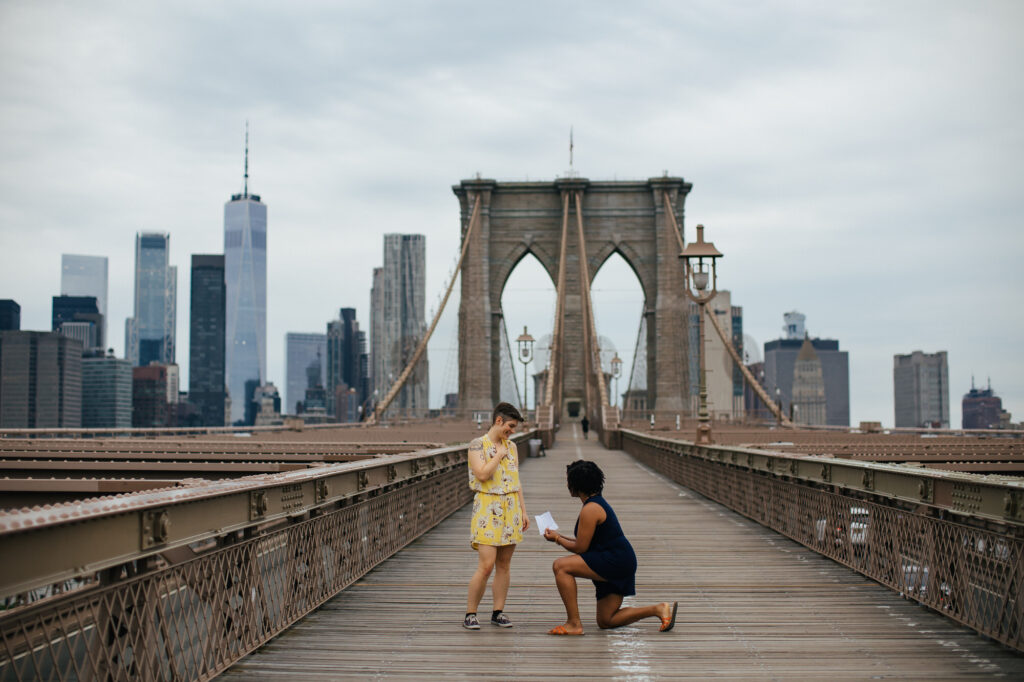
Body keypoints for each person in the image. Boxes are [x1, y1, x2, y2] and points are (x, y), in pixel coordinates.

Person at [544, 460, 677, 635]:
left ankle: (574, 623)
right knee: (606, 620)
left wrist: (557, 539)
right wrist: (558, 536)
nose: (567, 484)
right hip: (618, 558)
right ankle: (659, 609)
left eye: (569, 480)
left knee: (561, 567)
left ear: (576, 485)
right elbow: (584, 543)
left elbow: (581, 548)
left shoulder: (591, 509)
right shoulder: (594, 503)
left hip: (615, 560)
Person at [464, 402, 530, 630]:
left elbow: (516, 480)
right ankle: (470, 613)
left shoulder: (512, 446)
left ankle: (498, 612)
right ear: (499, 421)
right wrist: (498, 455)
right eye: (510, 426)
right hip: (487, 506)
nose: (512, 431)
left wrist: (523, 510)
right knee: (486, 565)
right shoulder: (476, 445)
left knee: (505, 564)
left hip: (510, 508)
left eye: (514, 428)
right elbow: (481, 474)